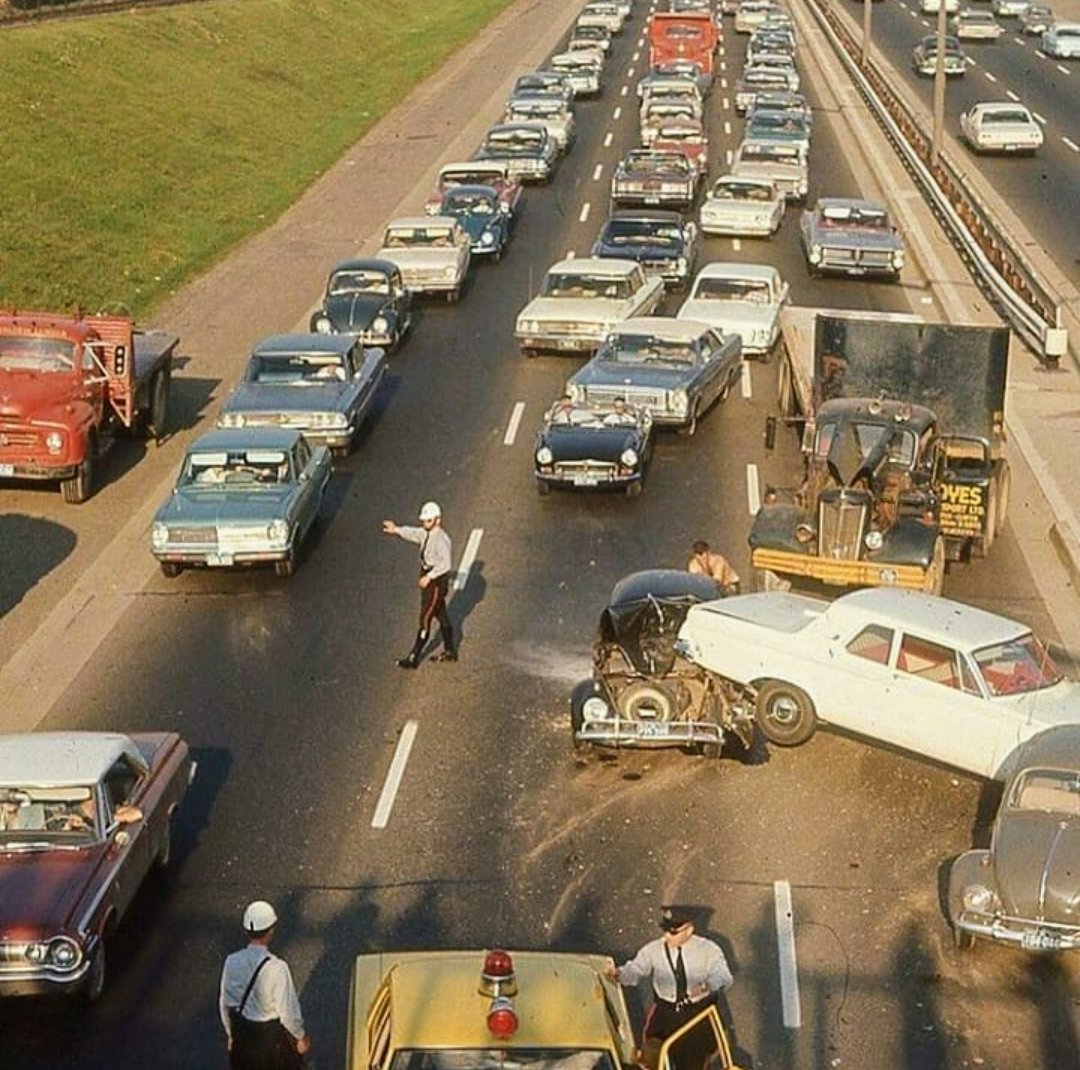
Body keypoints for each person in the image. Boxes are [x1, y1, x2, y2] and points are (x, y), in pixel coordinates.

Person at [605, 906, 733, 1070]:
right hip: (665, 1014)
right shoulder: (654, 949)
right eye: (665, 930)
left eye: (673, 932)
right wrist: (618, 973)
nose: (667, 936)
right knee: (651, 1056)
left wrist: (707, 985)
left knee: (692, 1061)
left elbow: (724, 977)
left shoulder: (708, 950)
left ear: (689, 930)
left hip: (696, 1015)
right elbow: (635, 970)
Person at [219, 901, 310, 1070]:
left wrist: (231, 1034)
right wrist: (300, 1037)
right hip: (270, 1040)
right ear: (271, 931)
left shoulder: (232, 962)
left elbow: (225, 1003)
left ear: (247, 931)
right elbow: (288, 1012)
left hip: (244, 1037)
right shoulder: (277, 968)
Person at [383, 500, 457, 667]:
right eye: (424, 520)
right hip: (428, 576)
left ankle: (413, 658)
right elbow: (414, 533)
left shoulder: (442, 539)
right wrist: (396, 530)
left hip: (436, 582)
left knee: (425, 617)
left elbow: (446, 564)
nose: (425, 523)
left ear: (438, 520)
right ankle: (450, 651)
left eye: (428, 520)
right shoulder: (426, 532)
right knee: (440, 613)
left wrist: (429, 577)